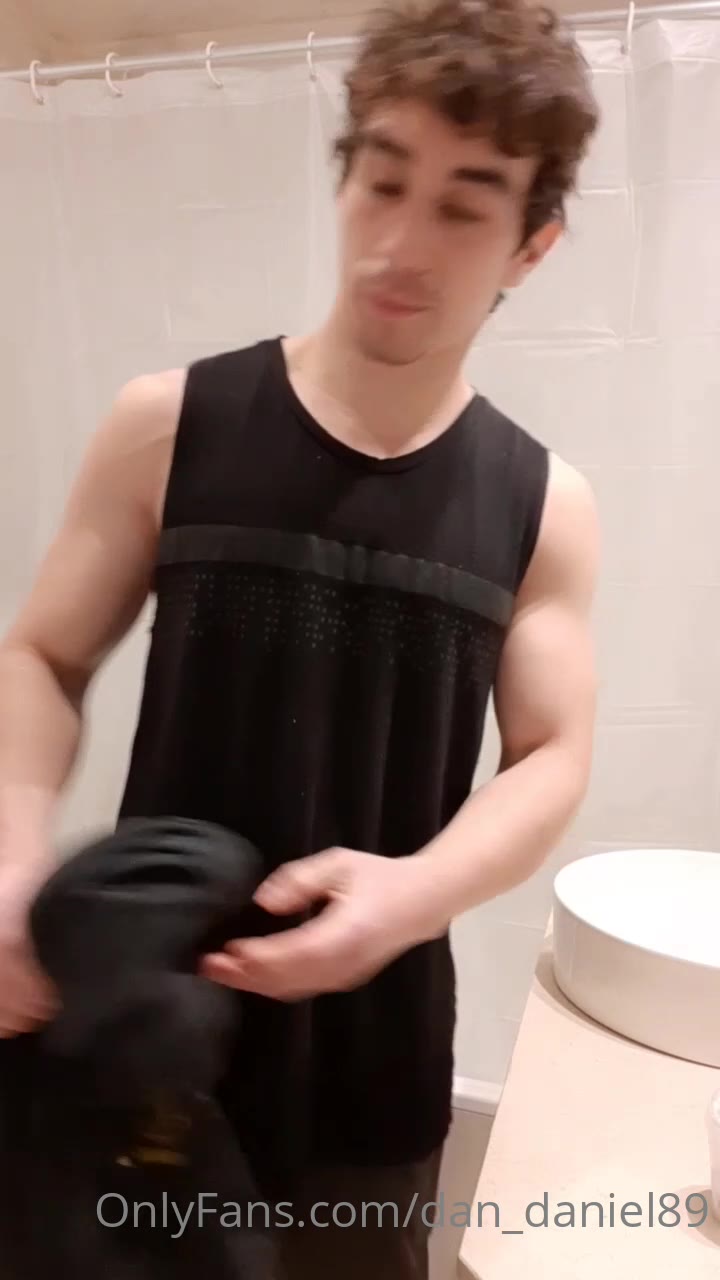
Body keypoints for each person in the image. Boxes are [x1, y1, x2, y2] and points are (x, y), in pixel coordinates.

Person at [0, 0, 601, 1275]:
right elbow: (40, 656)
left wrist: (411, 897)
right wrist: (10, 857)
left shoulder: (541, 503)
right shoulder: (170, 424)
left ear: (532, 243)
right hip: (147, 1034)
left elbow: (552, 754)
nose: (401, 242)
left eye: (464, 206)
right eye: (383, 180)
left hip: (373, 1062)